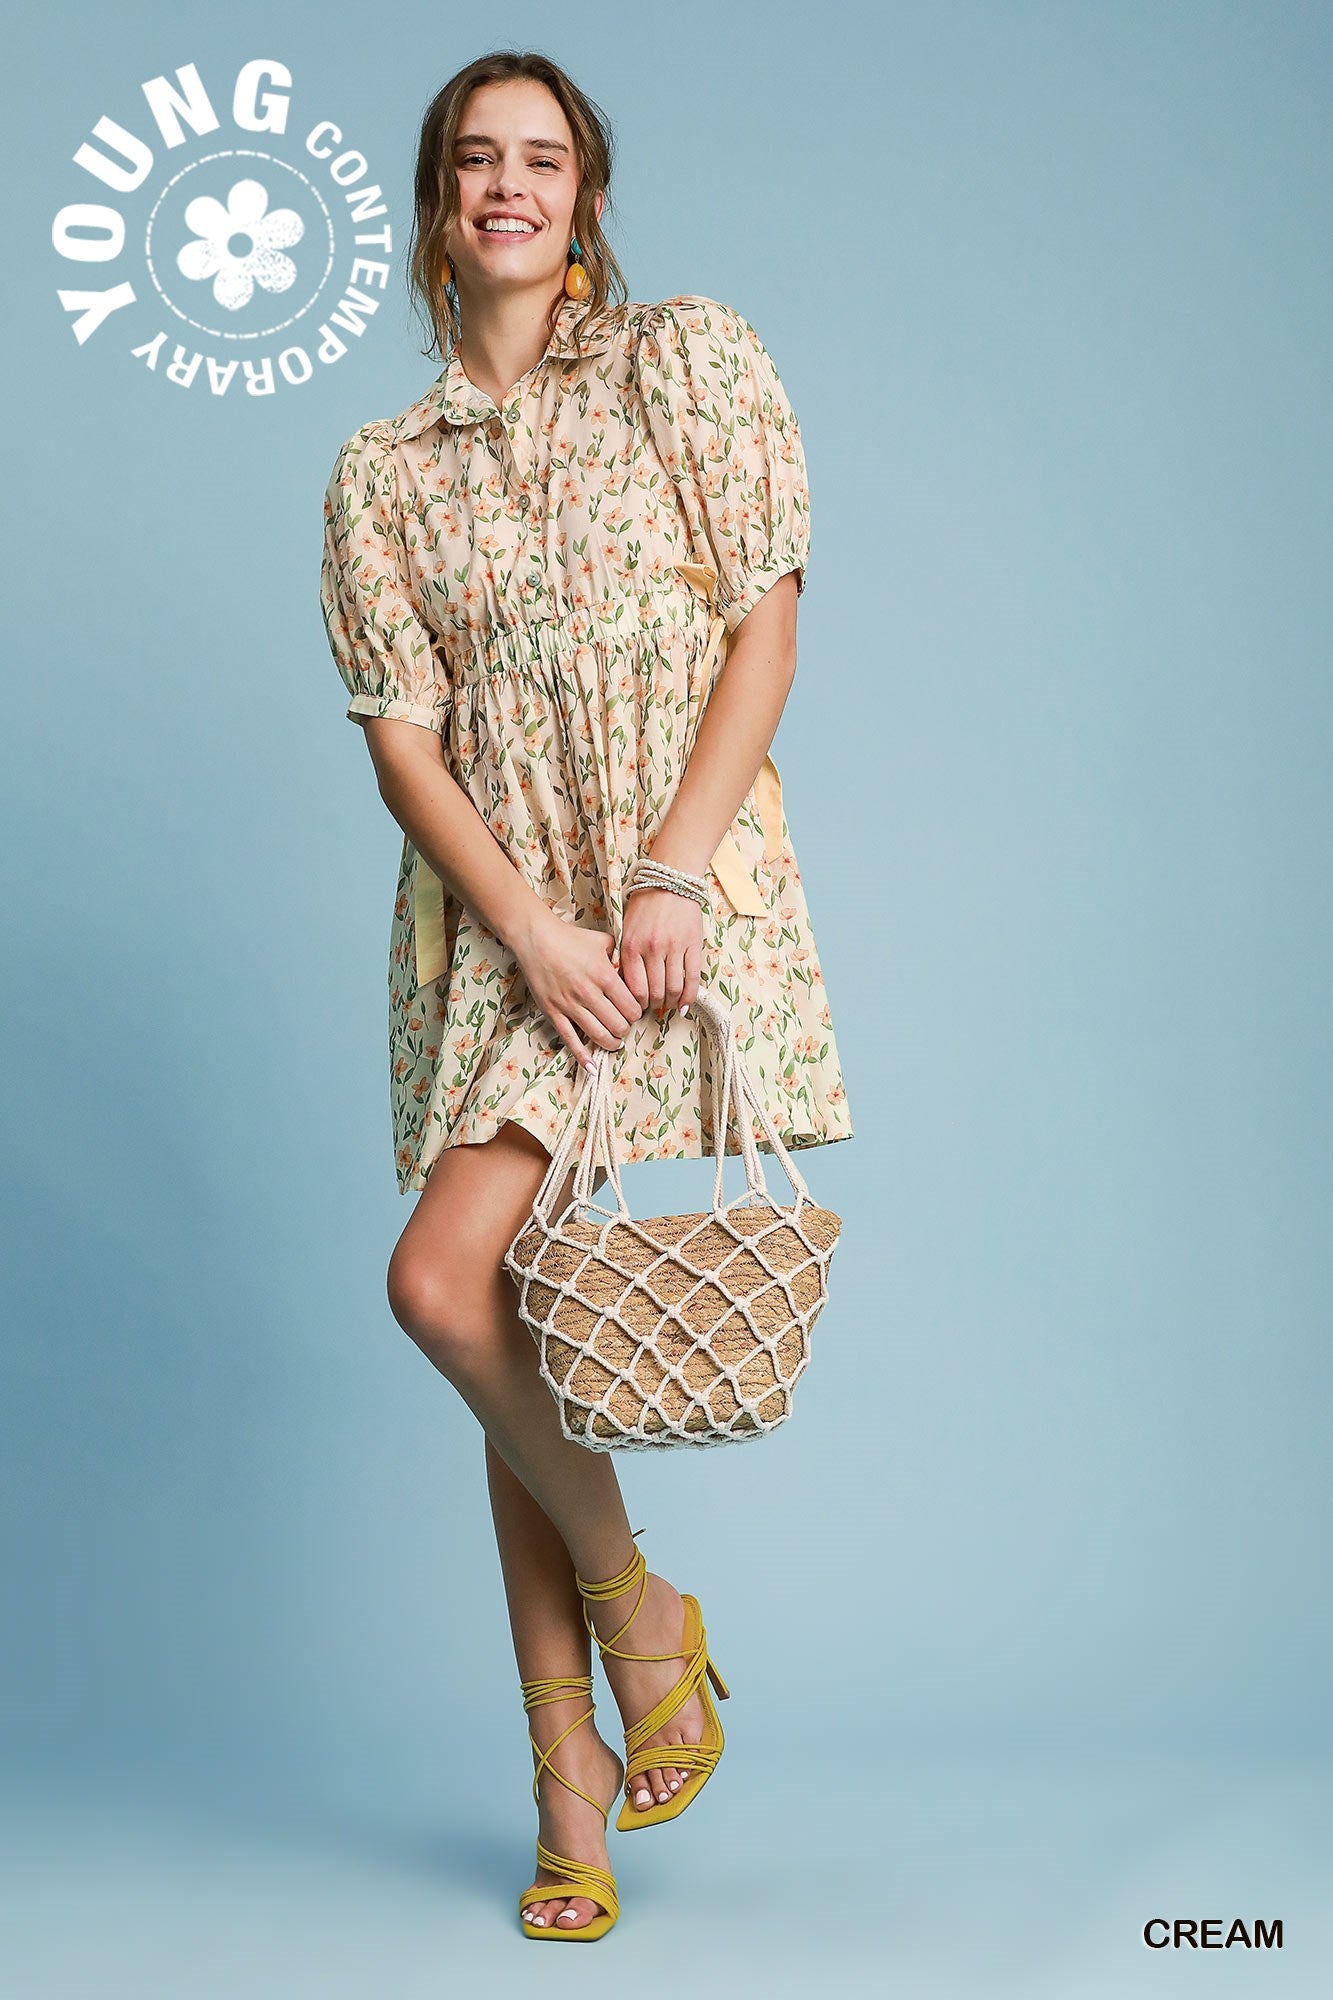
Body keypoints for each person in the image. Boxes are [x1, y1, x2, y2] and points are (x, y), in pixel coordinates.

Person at [318, 49, 854, 1940]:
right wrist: (529, 930)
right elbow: (404, 745)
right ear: (435, 203)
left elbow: (765, 622)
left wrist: (663, 874)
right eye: (476, 159)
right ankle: (612, 1700)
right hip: (498, 932)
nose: (509, 185)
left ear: (587, 199)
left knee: (461, 1291)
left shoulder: (681, 364)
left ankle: (604, 1709)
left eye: (541, 159)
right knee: (483, 1302)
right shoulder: (382, 474)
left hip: (661, 904)